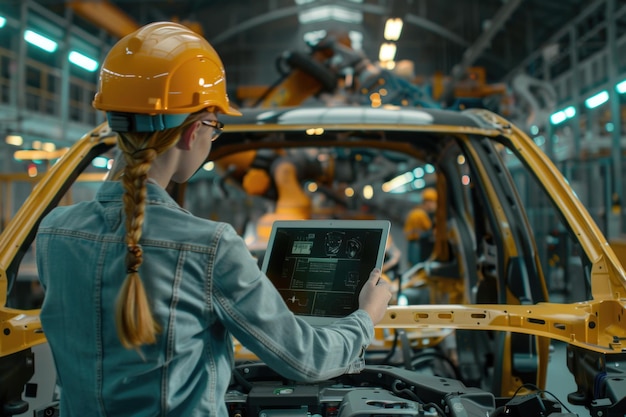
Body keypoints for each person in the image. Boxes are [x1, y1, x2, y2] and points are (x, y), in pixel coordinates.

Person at [35, 22, 392, 417]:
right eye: (216, 126)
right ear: (195, 130)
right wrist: (366, 316)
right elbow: (307, 360)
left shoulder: (54, 231)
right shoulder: (210, 247)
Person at [403, 187, 438, 265]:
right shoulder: (420, 214)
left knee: (412, 264)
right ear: (428, 202)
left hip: (411, 243)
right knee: (417, 266)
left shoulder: (415, 211)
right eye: (434, 202)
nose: (435, 205)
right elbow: (430, 229)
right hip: (416, 244)